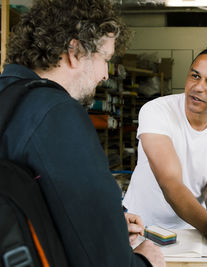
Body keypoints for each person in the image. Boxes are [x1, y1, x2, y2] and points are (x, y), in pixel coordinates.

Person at [0, 0, 164, 266]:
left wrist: (107, 223)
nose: (104, 74)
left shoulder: (8, 96)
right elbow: (105, 259)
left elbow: (30, 204)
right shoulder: (56, 113)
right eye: (105, 59)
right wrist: (144, 262)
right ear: (74, 51)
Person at [123, 47, 207, 249]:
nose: (198, 87)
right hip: (141, 225)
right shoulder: (156, 111)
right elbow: (170, 183)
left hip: (190, 226)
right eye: (195, 76)